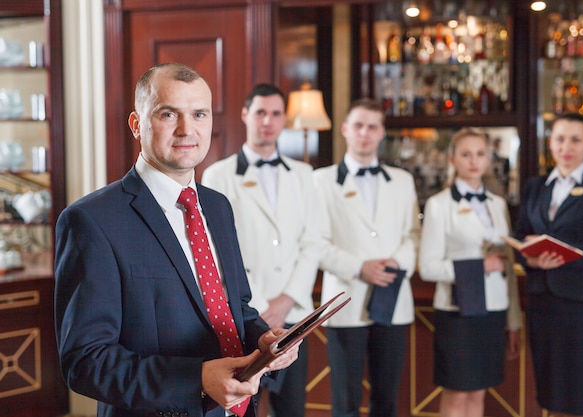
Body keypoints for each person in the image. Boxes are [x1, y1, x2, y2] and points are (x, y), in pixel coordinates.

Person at [54, 63, 299, 417]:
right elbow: (85, 362)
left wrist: (264, 340)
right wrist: (196, 379)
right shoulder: (92, 221)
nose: (187, 129)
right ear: (137, 125)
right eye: (169, 114)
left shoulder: (217, 206)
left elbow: (237, 309)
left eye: (199, 114)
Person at [201, 83, 321, 417]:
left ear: (284, 119)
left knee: (291, 409)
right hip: (241, 316)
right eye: (260, 112)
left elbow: (313, 243)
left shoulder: (304, 175)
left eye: (275, 113)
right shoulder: (218, 175)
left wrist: (286, 301)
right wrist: (255, 309)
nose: (267, 120)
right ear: (245, 115)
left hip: (292, 316)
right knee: (241, 408)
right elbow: (210, 253)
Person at [313, 98, 420, 417]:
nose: (364, 133)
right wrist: (360, 267)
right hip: (345, 301)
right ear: (345, 129)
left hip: (393, 299)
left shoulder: (403, 181)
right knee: (344, 401)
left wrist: (397, 264)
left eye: (372, 126)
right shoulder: (320, 180)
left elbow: (414, 235)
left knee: (386, 400)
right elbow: (315, 242)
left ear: (382, 133)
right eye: (358, 125)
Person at [515, 112, 583, 417]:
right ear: (549, 143)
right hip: (542, 303)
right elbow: (520, 234)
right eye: (560, 139)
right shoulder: (535, 187)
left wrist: (562, 254)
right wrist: (529, 255)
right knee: (550, 393)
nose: (567, 146)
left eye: (576, 140)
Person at [418, 128, 521, 417]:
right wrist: (479, 266)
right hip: (457, 312)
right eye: (466, 154)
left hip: (493, 309)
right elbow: (427, 267)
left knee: (479, 391)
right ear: (453, 159)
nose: (474, 161)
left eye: (480, 154)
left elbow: (508, 270)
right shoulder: (439, 205)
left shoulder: (497, 205)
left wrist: (513, 323)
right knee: (457, 392)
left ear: (488, 159)